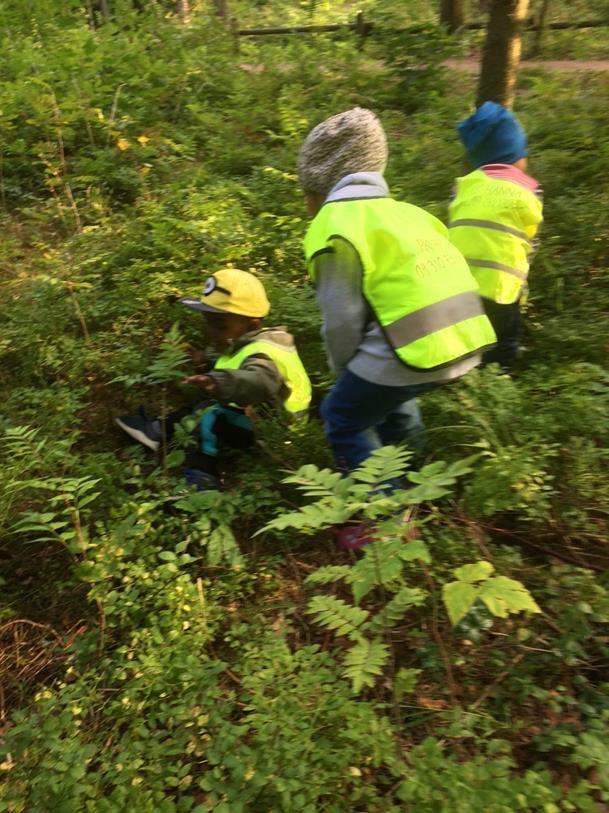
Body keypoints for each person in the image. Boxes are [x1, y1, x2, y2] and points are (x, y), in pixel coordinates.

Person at [298, 106, 496, 517]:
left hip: (408, 346)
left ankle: (387, 515)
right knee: (390, 397)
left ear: (320, 184)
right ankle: (414, 479)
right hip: (463, 339)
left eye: (305, 193)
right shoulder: (408, 213)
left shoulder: (333, 225)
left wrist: (343, 372)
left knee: (343, 416)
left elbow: (341, 321)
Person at [115, 268, 311, 491]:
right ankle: (157, 430)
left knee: (210, 416)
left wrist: (218, 382)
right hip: (257, 416)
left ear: (253, 325)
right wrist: (202, 358)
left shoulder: (264, 353)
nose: (212, 332)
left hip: (278, 433)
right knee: (202, 405)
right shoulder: (245, 342)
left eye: (220, 326)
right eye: (208, 323)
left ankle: (202, 483)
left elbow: (260, 380)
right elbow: (229, 357)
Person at [448, 101, 543, 370]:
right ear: (514, 154)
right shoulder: (528, 191)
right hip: (501, 288)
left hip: (459, 285)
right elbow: (531, 241)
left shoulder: (462, 187)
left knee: (468, 341)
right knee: (505, 340)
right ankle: (501, 380)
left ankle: (467, 380)